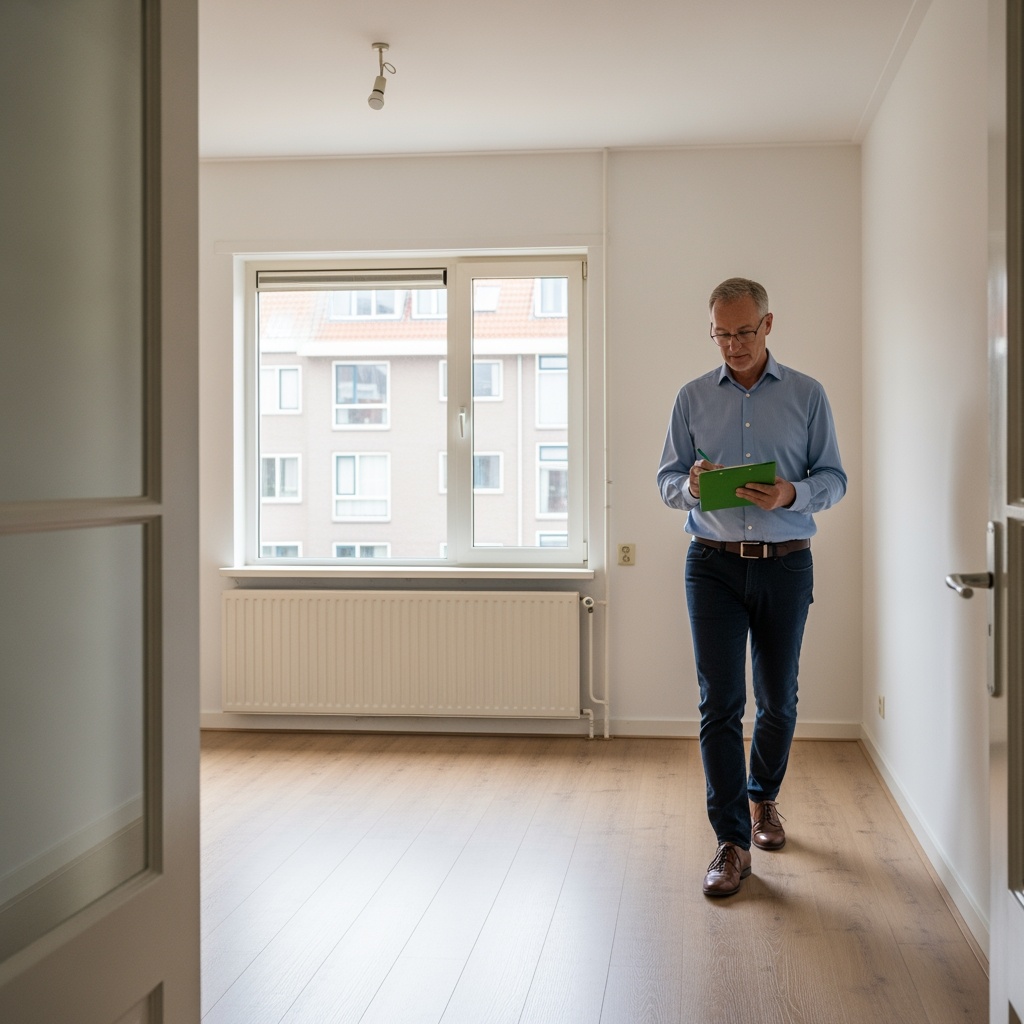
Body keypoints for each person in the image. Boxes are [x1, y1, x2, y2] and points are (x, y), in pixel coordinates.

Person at [657, 277, 847, 897]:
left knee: (778, 698)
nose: (733, 345)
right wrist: (689, 485)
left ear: (768, 325)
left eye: (743, 331)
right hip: (709, 564)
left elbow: (835, 477)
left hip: (786, 562)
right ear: (710, 329)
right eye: (721, 334)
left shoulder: (807, 394)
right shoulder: (690, 398)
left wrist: (793, 492)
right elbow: (665, 481)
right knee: (719, 703)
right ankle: (731, 841)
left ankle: (764, 798)